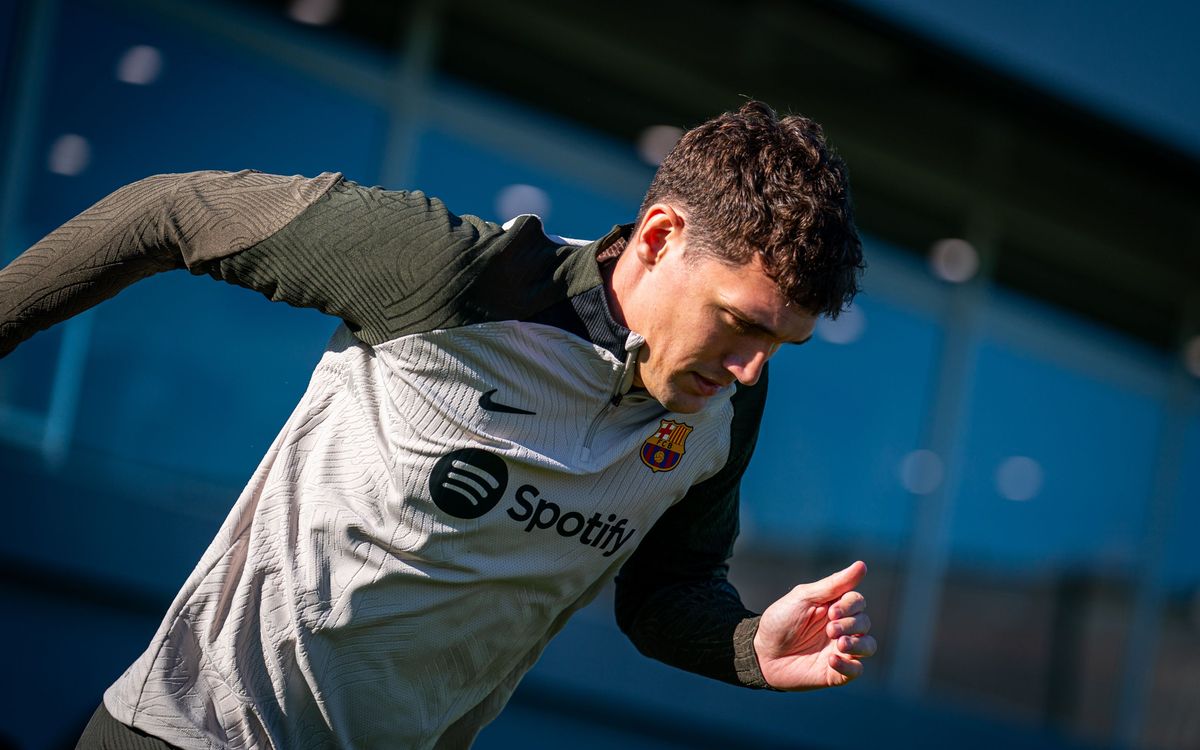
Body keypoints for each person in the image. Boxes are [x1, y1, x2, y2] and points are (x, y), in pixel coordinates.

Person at [0, 100, 874, 749]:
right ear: (657, 237)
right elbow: (174, 209)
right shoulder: (453, 277)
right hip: (193, 737)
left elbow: (665, 592)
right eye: (744, 322)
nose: (753, 366)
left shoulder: (723, 405)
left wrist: (746, 646)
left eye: (782, 343)